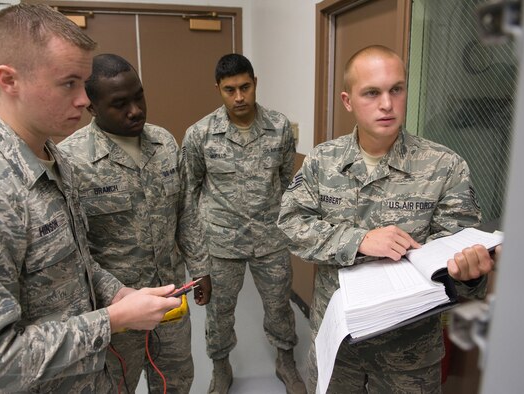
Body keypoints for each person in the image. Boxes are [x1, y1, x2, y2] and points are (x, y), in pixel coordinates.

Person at [0, 5, 181, 393]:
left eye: (85, 84)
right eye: (69, 83)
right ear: (10, 80)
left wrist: (118, 292)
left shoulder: (52, 158)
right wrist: (112, 319)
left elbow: (77, 263)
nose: (84, 100)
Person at [277, 45, 496, 393]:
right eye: (372, 93)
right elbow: (290, 223)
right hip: (340, 341)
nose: (386, 104)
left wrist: (469, 275)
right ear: (348, 101)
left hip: (408, 355)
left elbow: (459, 251)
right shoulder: (322, 161)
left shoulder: (444, 166)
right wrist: (359, 240)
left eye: (396, 89)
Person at [59, 53, 212, 393]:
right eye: (119, 103)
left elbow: (186, 211)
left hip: (170, 294)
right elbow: (75, 251)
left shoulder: (164, 143)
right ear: (92, 108)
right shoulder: (71, 161)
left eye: (139, 96)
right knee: (118, 384)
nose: (135, 110)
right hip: (118, 307)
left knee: (176, 380)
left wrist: (201, 267)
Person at [181, 53, 306, 394]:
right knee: (220, 312)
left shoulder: (279, 127)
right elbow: (188, 193)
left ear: (255, 83)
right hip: (221, 241)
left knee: (279, 304)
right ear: (218, 89)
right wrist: (195, 255)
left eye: (245, 87)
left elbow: (285, 180)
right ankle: (221, 368)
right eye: (230, 90)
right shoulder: (200, 134)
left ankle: (285, 360)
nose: (239, 97)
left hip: (270, 238)